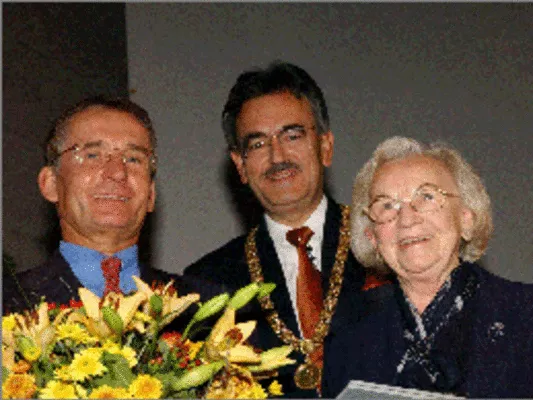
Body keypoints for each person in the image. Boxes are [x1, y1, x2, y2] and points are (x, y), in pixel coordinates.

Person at [184, 61, 381, 398]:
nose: (278, 157)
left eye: (292, 136)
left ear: (325, 147)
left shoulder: (384, 247)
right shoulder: (208, 283)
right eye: (258, 144)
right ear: (240, 165)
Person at [322, 136, 533, 398]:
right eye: (387, 205)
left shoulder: (524, 314)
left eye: (427, 196)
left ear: (466, 219)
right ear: (373, 237)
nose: (407, 219)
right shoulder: (348, 334)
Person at [3, 97, 177, 313]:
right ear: (51, 184)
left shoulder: (204, 309)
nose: (118, 172)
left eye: (133, 159)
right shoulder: (9, 303)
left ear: (150, 194)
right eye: (93, 155)